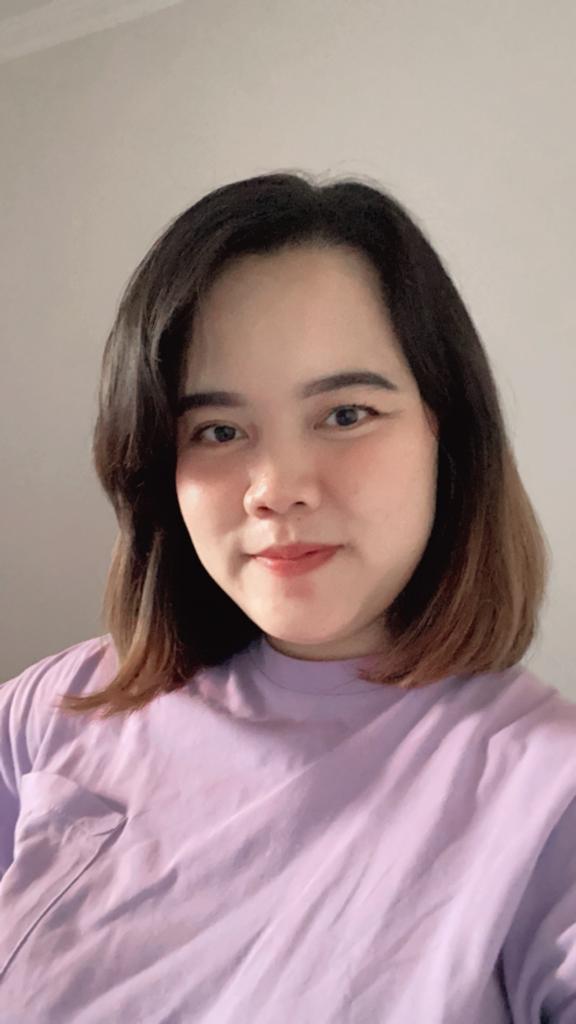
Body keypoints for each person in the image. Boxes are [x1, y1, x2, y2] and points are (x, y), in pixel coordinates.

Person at [0, 170, 574, 1023]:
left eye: (345, 414)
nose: (275, 488)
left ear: (443, 428)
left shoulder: (549, 794)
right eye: (219, 431)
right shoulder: (53, 708)